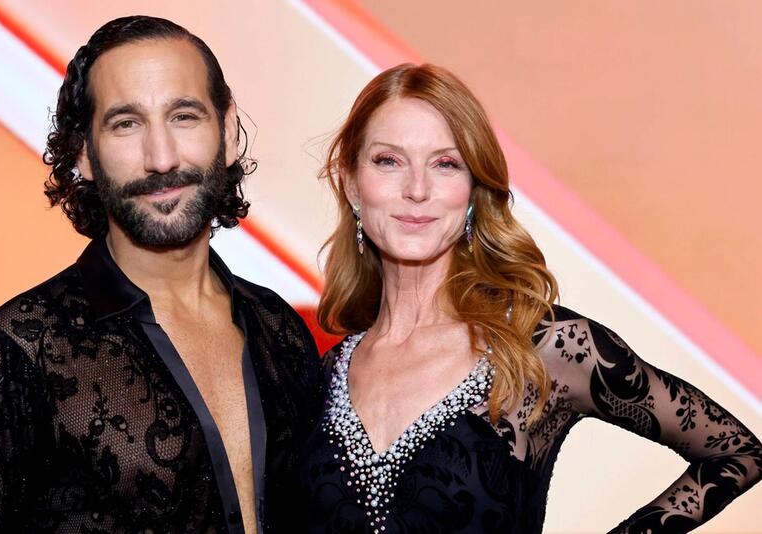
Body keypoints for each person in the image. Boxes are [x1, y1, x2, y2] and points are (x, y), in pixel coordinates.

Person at [299, 63, 762, 533]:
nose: (417, 189)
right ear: (352, 184)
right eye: (388, 161)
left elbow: (736, 452)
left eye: (445, 164)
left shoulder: (545, 347)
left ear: (474, 191)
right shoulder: (324, 372)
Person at [0, 16, 323, 533]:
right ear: (84, 152)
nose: (161, 158)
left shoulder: (280, 331)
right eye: (126, 124)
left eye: (184, 116)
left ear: (229, 131)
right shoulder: (20, 349)